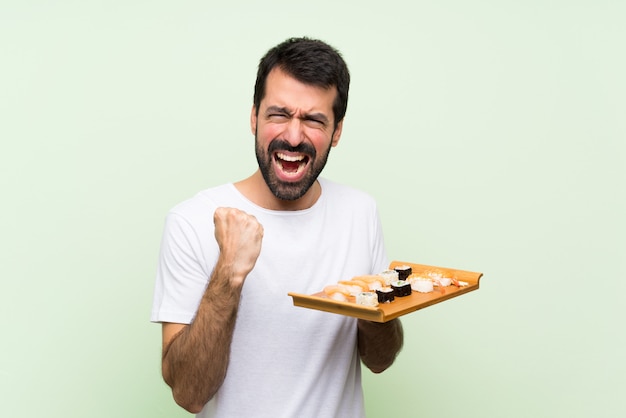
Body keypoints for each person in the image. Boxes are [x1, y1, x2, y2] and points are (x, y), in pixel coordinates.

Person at [151, 36, 404, 418]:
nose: (293, 135)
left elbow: (381, 360)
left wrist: (369, 302)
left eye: (314, 120)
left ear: (336, 131)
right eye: (279, 114)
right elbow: (189, 394)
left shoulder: (360, 211)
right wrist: (228, 274)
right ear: (254, 117)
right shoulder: (192, 220)